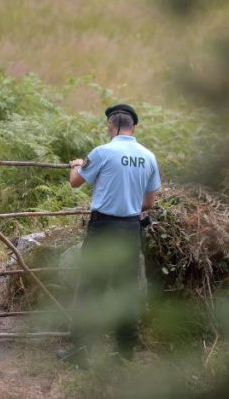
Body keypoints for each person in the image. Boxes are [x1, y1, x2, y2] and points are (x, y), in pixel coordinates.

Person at [59, 103, 161, 366]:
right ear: (133, 127)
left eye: (108, 127)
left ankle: (81, 351)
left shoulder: (102, 152)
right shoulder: (148, 156)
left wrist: (77, 164)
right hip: (130, 229)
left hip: (103, 228)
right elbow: (148, 202)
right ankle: (124, 353)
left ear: (112, 126)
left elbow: (75, 182)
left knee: (90, 289)